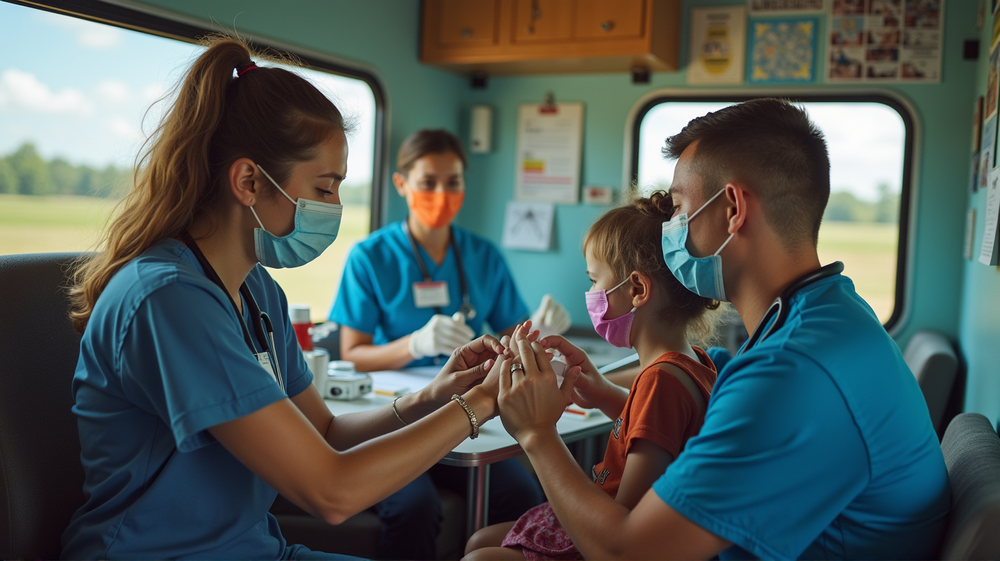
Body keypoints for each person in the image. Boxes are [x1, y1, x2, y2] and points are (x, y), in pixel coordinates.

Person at [60, 37, 512, 560]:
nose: (336, 207)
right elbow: (332, 492)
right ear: (249, 180)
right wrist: (479, 403)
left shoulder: (256, 292)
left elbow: (325, 431)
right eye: (324, 189)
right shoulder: (166, 301)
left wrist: (431, 397)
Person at [493, 99, 950, 560]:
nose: (670, 227)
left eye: (678, 208)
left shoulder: (793, 374)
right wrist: (606, 391)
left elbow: (627, 554)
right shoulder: (826, 315)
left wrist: (536, 433)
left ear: (732, 208)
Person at [329, 128, 561, 559]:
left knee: (525, 493)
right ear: (401, 185)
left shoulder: (483, 255)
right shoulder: (370, 257)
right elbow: (352, 354)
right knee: (415, 507)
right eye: (428, 182)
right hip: (398, 413)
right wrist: (414, 344)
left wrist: (540, 330)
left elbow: (514, 332)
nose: (442, 193)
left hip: (467, 415)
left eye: (452, 182)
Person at [464, 192, 720, 560]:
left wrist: (539, 428)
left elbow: (626, 518)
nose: (591, 294)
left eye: (595, 281)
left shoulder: (660, 381)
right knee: (479, 541)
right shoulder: (692, 362)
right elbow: (655, 434)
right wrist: (600, 391)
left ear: (636, 289)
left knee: (478, 555)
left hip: (606, 536)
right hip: (610, 520)